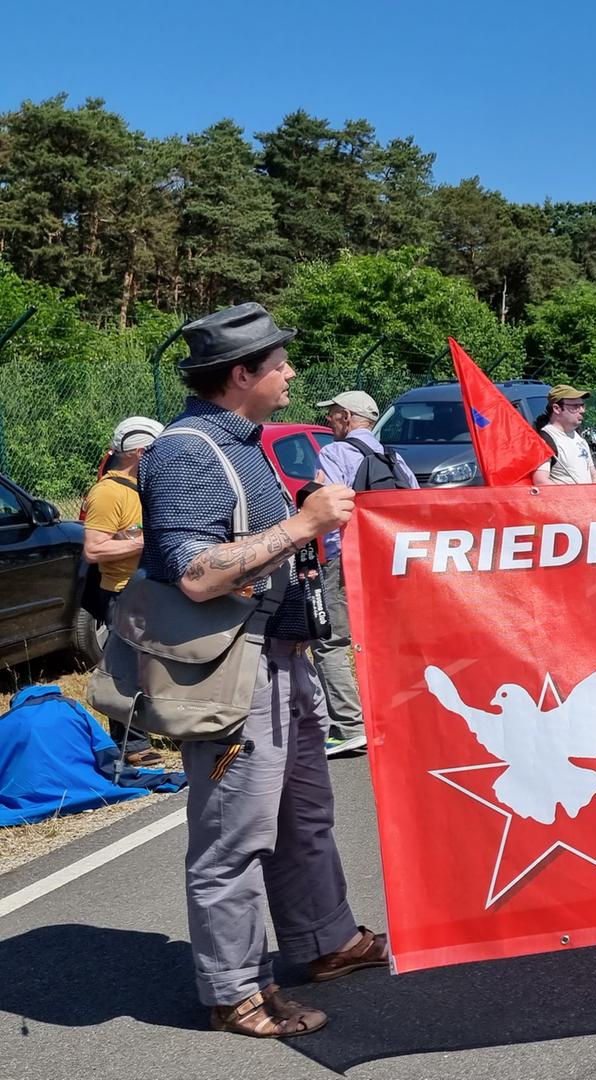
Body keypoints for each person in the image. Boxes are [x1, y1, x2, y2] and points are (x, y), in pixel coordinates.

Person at [140, 302, 386, 1037]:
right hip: (234, 676)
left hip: (283, 662)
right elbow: (193, 573)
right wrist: (302, 524)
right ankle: (234, 991)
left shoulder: (241, 443)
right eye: (279, 365)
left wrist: (300, 519)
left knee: (304, 817)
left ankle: (326, 942)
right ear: (241, 374)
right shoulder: (187, 450)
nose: (291, 375)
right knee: (235, 836)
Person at [311, 389, 417, 757]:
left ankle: (350, 726)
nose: (329, 420)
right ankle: (396, 717)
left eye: (333, 414)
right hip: (388, 558)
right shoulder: (394, 457)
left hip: (346, 556)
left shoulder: (333, 453)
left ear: (346, 417)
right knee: (383, 639)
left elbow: (328, 507)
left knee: (331, 641)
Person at [81, 415, 164, 766]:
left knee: (157, 666)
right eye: (158, 450)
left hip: (154, 590)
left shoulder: (145, 486)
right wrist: (148, 542)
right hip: (122, 593)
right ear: (140, 452)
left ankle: (163, 726)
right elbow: (94, 550)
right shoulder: (108, 493)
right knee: (125, 669)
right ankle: (131, 744)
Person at [533, 385, 596, 485]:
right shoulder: (546, 439)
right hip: (565, 500)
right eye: (576, 406)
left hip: (587, 499)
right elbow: (540, 480)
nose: (582, 410)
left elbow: (594, 476)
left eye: (582, 405)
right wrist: (571, 498)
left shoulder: (579, 438)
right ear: (557, 408)